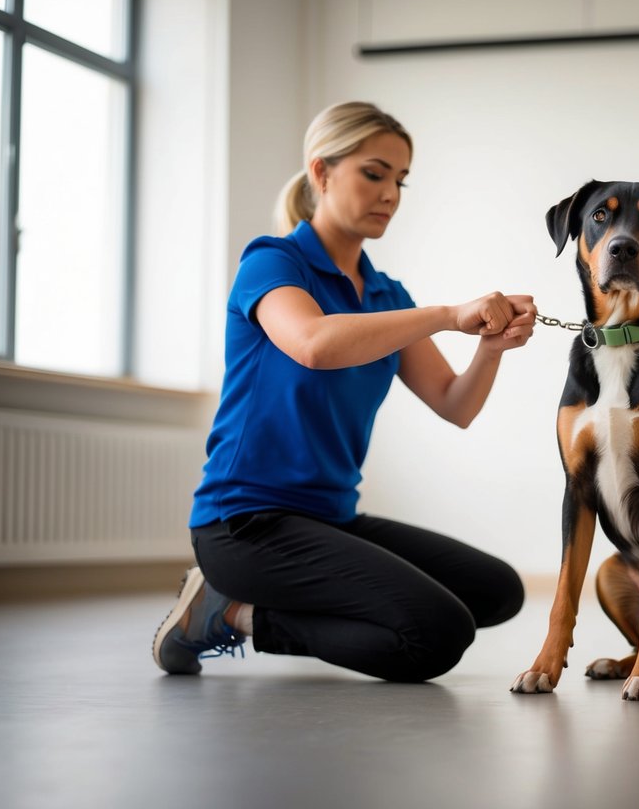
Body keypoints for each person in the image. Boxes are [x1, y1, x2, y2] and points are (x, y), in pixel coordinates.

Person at [152, 102, 535, 682]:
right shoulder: (273, 261)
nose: (391, 194)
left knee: (498, 591)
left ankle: (249, 605)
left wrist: (490, 347)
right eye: (374, 173)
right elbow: (312, 343)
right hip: (244, 525)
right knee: (437, 634)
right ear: (322, 173)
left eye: (400, 180)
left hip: (331, 519)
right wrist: (446, 314)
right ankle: (235, 613)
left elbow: (455, 404)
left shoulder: (386, 295)